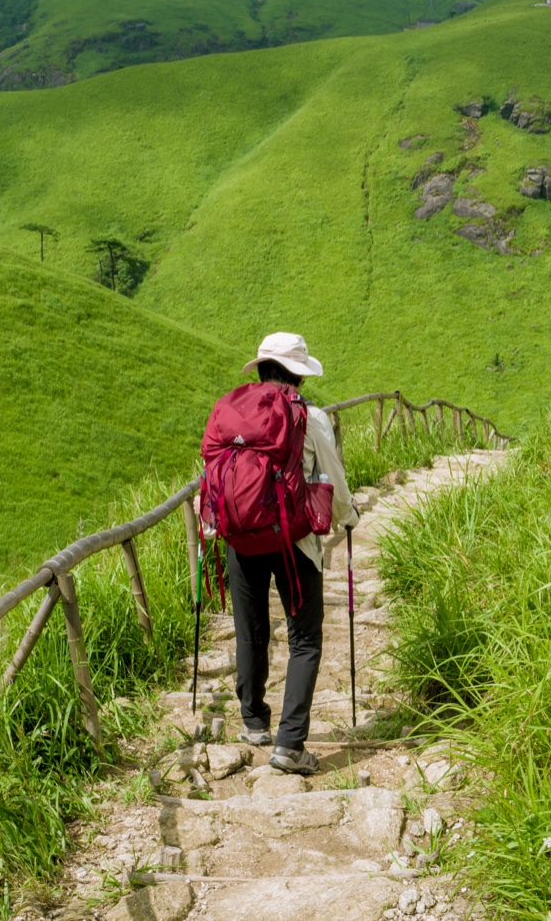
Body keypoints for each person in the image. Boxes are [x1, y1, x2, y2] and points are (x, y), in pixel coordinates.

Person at [226, 331, 359, 775]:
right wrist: (348, 516)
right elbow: (332, 477)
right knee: (304, 639)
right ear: (299, 374)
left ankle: (252, 723)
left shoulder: (234, 412)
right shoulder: (311, 416)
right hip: (293, 541)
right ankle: (289, 744)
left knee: (250, 630)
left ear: (262, 370)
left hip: (240, 536)